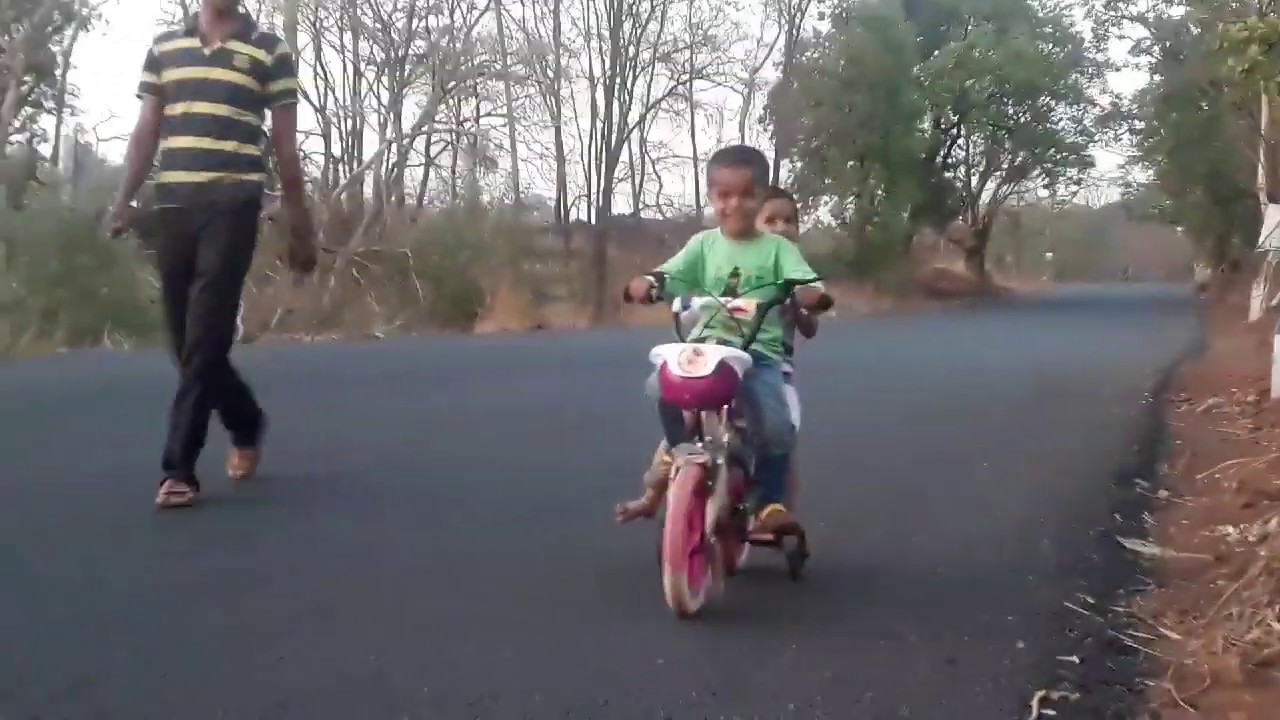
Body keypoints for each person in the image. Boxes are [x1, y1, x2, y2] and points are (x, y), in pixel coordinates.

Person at [108, 0, 317, 509]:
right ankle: (245, 418)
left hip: (234, 203)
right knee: (183, 342)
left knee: (206, 335)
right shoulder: (165, 49)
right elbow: (146, 130)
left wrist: (300, 224)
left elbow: (286, 148)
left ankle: (178, 468)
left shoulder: (269, 49)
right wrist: (124, 198)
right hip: (173, 205)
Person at [615, 144, 831, 536]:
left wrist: (807, 294)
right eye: (724, 195)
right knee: (663, 383)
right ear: (711, 197)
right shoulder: (703, 245)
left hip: (756, 353)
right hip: (707, 347)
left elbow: (805, 282)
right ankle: (681, 449)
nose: (736, 204)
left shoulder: (777, 250)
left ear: (761, 196)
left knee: (778, 425)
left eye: (747, 195)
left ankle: (769, 503)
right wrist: (647, 283)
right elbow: (670, 274)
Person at [756, 185, 818, 509]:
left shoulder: (799, 274)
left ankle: (777, 506)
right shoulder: (741, 267)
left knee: (783, 430)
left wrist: (798, 311)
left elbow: (810, 328)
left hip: (776, 368)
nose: (781, 227)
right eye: (771, 220)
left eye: (789, 220)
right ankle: (661, 479)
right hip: (731, 359)